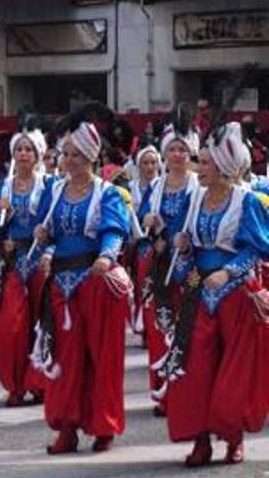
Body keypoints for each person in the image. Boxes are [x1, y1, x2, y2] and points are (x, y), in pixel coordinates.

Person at [158, 121, 269, 467]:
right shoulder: (194, 199)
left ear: (222, 165)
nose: (197, 168)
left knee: (232, 371)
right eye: (198, 161)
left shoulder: (246, 201)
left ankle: (232, 439)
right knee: (195, 368)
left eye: (204, 162)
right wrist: (184, 246)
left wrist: (228, 271)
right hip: (198, 292)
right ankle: (200, 440)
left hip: (235, 294)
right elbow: (188, 245)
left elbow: (259, 250)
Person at [31, 117, 131, 454]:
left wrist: (106, 256)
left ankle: (103, 425)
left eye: (75, 155)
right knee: (65, 357)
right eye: (65, 154)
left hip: (96, 281)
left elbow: (114, 231)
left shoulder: (108, 194)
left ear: (90, 157)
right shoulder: (54, 190)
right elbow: (48, 230)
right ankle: (67, 427)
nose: (68, 161)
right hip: (62, 283)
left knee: (102, 356)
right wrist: (44, 245)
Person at [136, 111, 201, 417]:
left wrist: (188, 240)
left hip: (190, 270)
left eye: (182, 149)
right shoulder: (156, 188)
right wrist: (146, 222)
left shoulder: (199, 188)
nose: (177, 154)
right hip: (161, 268)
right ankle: (163, 393)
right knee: (159, 329)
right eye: (172, 149)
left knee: (188, 329)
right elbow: (143, 227)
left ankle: (187, 391)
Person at [0, 120, 51, 407]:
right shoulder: (3, 187)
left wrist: (46, 240)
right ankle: (14, 384)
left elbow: (55, 224)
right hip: (13, 262)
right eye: (19, 149)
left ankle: (39, 383)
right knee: (11, 325)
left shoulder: (49, 186)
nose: (23, 154)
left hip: (40, 261)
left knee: (41, 322)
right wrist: (3, 218)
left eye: (29, 149)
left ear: (37, 155)